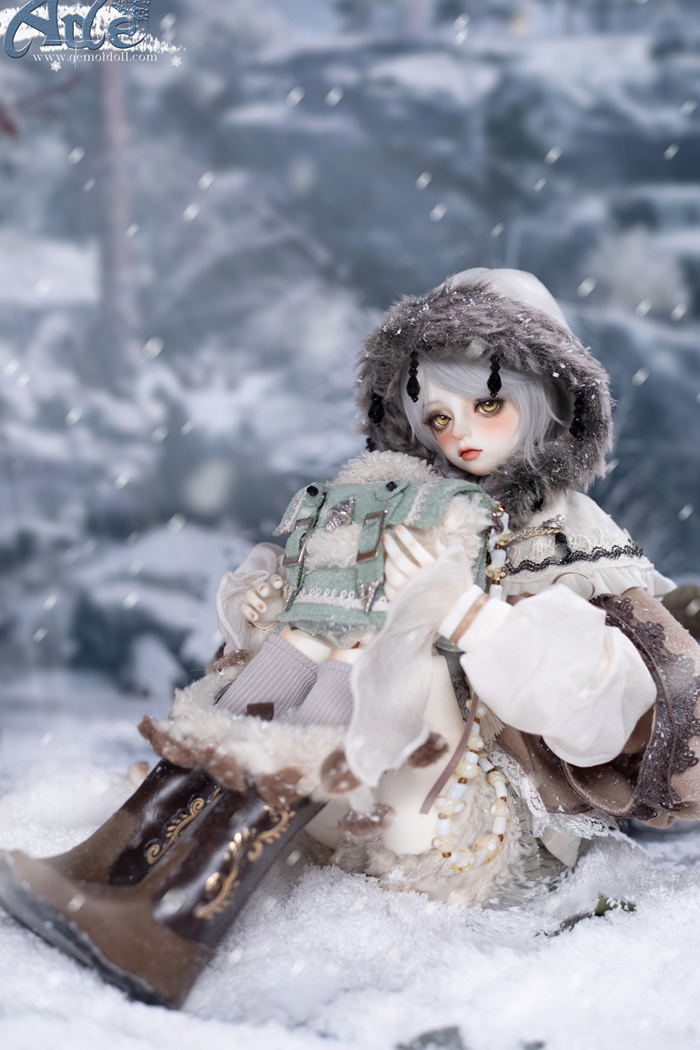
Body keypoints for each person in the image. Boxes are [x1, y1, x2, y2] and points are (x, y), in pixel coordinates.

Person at [1, 268, 699, 1009]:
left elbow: (602, 708)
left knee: (395, 639)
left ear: (546, 399)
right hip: (353, 794)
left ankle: (178, 919)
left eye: (487, 404)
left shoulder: (576, 541)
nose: (459, 433)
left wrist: (464, 614)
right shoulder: (412, 501)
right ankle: (122, 863)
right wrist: (273, 603)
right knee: (311, 633)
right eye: (437, 416)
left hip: (474, 824)